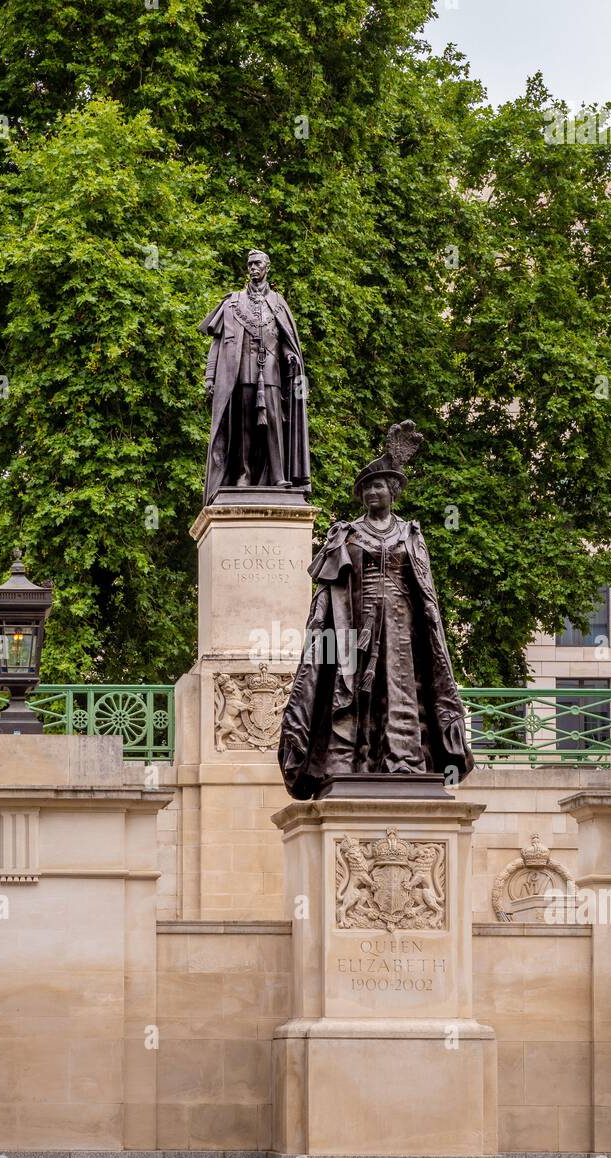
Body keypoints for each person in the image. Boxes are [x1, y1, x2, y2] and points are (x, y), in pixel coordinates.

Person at [279, 421, 473, 799]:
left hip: (403, 627)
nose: (371, 491)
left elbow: (424, 591)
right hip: (354, 622)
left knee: (400, 690)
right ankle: (350, 762)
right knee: (351, 690)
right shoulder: (347, 533)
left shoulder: (410, 534)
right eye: (366, 487)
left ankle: (402, 761)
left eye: (378, 485)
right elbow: (328, 586)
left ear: (394, 490)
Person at [200, 250, 310, 502]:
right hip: (239, 374)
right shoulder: (232, 303)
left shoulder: (279, 303)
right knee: (244, 427)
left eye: (257, 263)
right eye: (249, 264)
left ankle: (278, 474)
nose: (252, 268)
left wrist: (289, 355)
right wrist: (210, 377)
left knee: (272, 423)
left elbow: (285, 339)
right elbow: (217, 345)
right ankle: (244, 474)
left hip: (270, 373)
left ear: (267, 267)